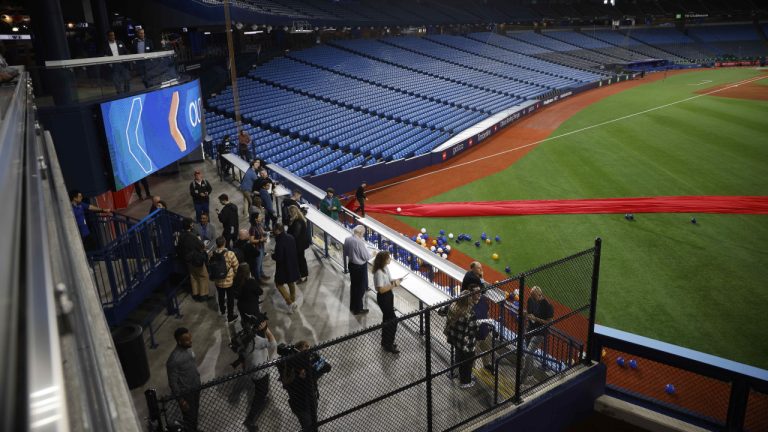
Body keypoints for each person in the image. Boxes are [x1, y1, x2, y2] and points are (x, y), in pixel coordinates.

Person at [241, 313, 275, 432]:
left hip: (251, 370)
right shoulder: (258, 340)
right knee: (261, 392)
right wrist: (267, 330)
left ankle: (262, 398)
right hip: (260, 372)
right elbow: (273, 344)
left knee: (260, 388)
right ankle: (250, 420)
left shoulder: (243, 337)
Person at [166, 328, 202, 431]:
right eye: (187, 340)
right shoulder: (173, 360)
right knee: (189, 418)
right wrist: (181, 400)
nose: (190, 341)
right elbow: (173, 383)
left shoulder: (189, 348)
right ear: (179, 341)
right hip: (186, 393)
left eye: (190, 338)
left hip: (196, 387)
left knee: (195, 414)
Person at [445, 285, 481, 388]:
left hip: (455, 339)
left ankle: (460, 375)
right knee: (467, 363)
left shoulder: (452, 305)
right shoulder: (469, 313)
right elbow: (474, 329)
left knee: (460, 357)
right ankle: (465, 382)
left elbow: (441, 311)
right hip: (466, 343)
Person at [281, 341, 321, 431]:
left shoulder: (309, 365)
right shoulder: (292, 366)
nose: (308, 349)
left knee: (314, 424)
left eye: (308, 347)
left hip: (311, 399)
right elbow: (287, 383)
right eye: (305, 347)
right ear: (298, 350)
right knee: (307, 426)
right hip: (300, 404)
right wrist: (299, 375)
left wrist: (313, 367)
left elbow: (327, 367)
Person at [372, 251, 403, 354]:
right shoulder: (379, 272)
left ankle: (385, 342)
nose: (390, 259)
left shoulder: (385, 268)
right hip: (383, 298)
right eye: (388, 258)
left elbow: (389, 281)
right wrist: (394, 285)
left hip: (389, 296)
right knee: (393, 320)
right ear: (384, 260)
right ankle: (389, 344)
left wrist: (396, 280)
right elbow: (380, 290)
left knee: (387, 319)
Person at [521, 286, 554, 381]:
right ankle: (530, 372)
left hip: (540, 332)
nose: (532, 298)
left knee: (527, 355)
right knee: (528, 353)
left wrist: (536, 319)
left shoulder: (548, 305)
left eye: (534, 296)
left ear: (540, 295)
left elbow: (549, 322)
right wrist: (526, 314)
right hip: (529, 329)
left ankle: (522, 379)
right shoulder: (530, 300)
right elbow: (529, 312)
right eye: (531, 295)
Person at [177, 219, 211, 302]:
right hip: (196, 260)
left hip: (187, 260)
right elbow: (201, 246)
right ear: (190, 225)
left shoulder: (181, 236)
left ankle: (195, 294)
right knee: (203, 276)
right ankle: (203, 295)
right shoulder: (192, 237)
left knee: (193, 277)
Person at [343, 225, 371, 315]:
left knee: (354, 287)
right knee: (360, 289)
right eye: (363, 233)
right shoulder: (359, 242)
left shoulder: (347, 239)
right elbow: (366, 257)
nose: (363, 235)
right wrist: (373, 254)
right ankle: (358, 309)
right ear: (359, 232)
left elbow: (346, 253)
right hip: (360, 268)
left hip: (351, 265)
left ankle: (353, 306)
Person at [272, 224, 300, 313]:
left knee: (278, 284)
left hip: (283, 267)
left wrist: (273, 255)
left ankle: (290, 302)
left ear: (277, 230)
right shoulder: (291, 237)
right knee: (291, 282)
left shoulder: (280, 242)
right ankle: (293, 301)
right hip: (292, 264)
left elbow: (279, 257)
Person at [212, 236, 239, 323]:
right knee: (230, 299)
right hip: (229, 281)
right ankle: (230, 316)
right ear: (224, 243)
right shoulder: (230, 254)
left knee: (220, 296)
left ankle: (222, 310)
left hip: (218, 281)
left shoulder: (213, 254)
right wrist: (234, 275)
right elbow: (236, 267)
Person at [286, 205, 309, 282]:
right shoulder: (296, 219)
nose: (289, 214)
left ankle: (304, 275)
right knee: (300, 259)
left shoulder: (298, 221)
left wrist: (287, 237)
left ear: (292, 212)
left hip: (299, 245)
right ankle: (301, 274)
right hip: (299, 244)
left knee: (301, 259)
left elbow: (295, 234)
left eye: (289, 213)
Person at [248, 210, 268, 280]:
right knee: (257, 264)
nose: (261, 217)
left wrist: (267, 233)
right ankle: (258, 278)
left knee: (261, 262)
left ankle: (262, 274)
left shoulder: (259, 225)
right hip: (257, 248)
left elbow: (262, 232)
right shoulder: (252, 228)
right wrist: (260, 240)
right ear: (255, 219)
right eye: (259, 216)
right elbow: (251, 240)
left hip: (261, 246)